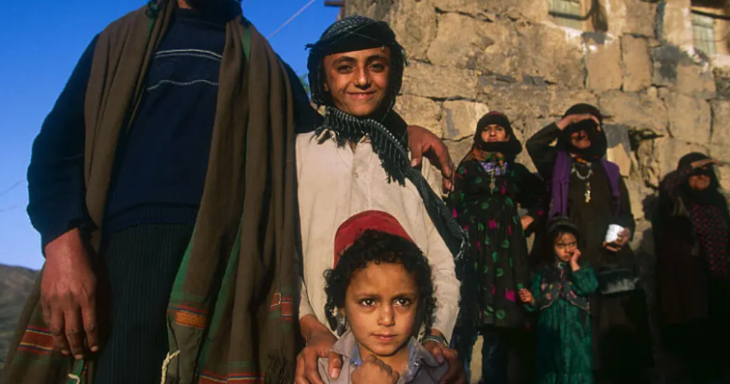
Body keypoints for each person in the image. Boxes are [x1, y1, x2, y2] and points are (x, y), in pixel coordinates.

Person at [1, 1, 455, 383]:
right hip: (125, 256)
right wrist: (63, 246)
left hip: (229, 264)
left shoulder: (266, 67)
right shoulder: (117, 45)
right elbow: (57, 152)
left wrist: (400, 130)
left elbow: (337, 131)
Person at [295, 15, 467, 384]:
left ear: (394, 75)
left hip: (412, 362)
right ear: (323, 78)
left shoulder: (414, 159)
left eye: (376, 66)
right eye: (344, 67)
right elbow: (282, 257)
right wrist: (312, 328)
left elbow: (440, 260)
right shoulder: (298, 155)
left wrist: (437, 335)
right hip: (327, 362)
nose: (361, 80)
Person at [526, 104, 652, 384]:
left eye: (589, 129)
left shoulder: (609, 171)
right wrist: (567, 120)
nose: (582, 134)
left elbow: (625, 214)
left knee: (613, 330)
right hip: (571, 259)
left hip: (609, 260)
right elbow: (534, 144)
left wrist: (623, 232)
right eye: (576, 129)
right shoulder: (557, 165)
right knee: (575, 330)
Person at [447, 111, 546, 384]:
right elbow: (453, 205)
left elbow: (543, 196)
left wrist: (531, 218)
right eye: (487, 129)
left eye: (498, 129)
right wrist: (456, 239)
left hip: (505, 251)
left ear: (508, 135)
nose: (492, 133)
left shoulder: (516, 171)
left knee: (500, 326)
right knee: (465, 316)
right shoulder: (466, 169)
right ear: (479, 135)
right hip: (473, 247)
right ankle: (458, 377)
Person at [316, 210, 449, 384]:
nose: (387, 319)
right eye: (369, 301)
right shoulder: (322, 374)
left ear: (420, 303)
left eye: (402, 301)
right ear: (342, 304)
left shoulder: (443, 374)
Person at [653, 153, 730, 383]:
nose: (701, 177)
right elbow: (668, 184)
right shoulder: (676, 200)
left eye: (706, 173)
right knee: (693, 346)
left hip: (719, 280)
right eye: (695, 173)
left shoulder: (717, 201)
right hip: (687, 284)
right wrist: (694, 164)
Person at [519, 216, 599, 384]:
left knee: (578, 369)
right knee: (550, 369)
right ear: (552, 247)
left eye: (572, 244)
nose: (567, 250)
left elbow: (588, 287)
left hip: (576, 331)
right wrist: (530, 300)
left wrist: (575, 266)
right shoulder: (544, 272)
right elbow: (537, 302)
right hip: (550, 330)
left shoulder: (583, 268)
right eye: (561, 245)